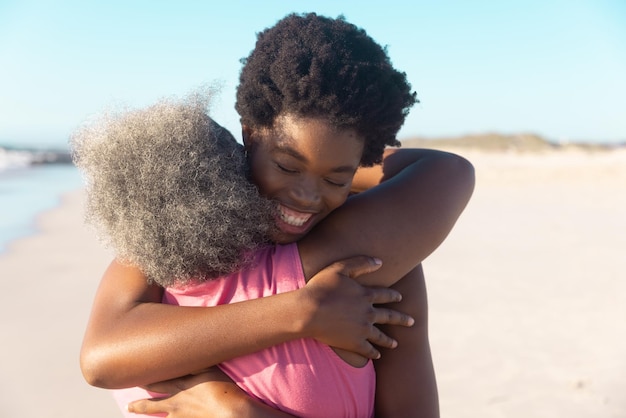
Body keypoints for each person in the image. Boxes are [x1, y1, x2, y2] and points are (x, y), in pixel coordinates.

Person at [78, 13, 475, 417]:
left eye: (338, 177)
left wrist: (242, 412)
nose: (305, 195)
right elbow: (99, 359)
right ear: (249, 133)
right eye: (287, 166)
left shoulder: (364, 263)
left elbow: (450, 172)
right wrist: (300, 312)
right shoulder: (164, 244)